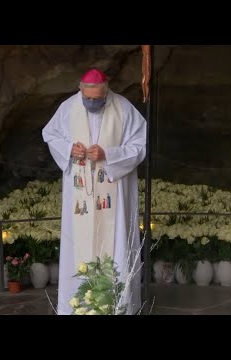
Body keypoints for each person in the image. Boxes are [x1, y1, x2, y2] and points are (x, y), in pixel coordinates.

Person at [42, 68, 147, 315]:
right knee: (79, 248)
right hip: (81, 197)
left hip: (114, 196)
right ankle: (78, 307)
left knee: (116, 246)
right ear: (80, 90)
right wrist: (69, 149)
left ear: (106, 90)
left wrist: (108, 154)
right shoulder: (68, 108)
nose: (91, 103)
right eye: (87, 98)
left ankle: (118, 309)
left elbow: (139, 146)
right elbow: (50, 134)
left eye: (97, 99)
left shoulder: (123, 108)